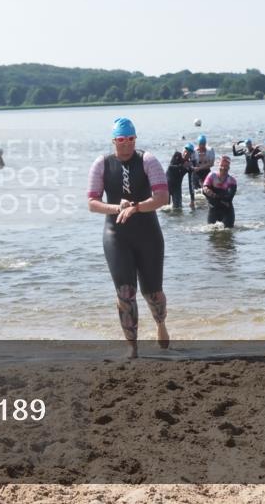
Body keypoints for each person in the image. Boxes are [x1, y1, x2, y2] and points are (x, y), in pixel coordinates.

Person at [87, 118, 170, 358]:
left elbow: (162, 197)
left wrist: (135, 206)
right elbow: (92, 203)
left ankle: (160, 323)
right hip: (116, 234)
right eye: (121, 140)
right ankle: (132, 345)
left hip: (148, 233)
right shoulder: (102, 164)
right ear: (114, 140)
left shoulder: (148, 160)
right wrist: (117, 208)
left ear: (135, 139)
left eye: (131, 139)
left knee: (153, 293)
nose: (126, 145)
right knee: (125, 291)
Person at [202, 155, 237, 228]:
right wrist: (206, 190)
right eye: (222, 165)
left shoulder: (232, 180)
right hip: (213, 209)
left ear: (229, 168)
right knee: (211, 232)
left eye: (226, 166)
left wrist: (214, 195)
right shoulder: (212, 176)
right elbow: (204, 189)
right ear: (218, 165)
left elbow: (229, 198)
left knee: (228, 233)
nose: (223, 168)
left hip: (227, 211)